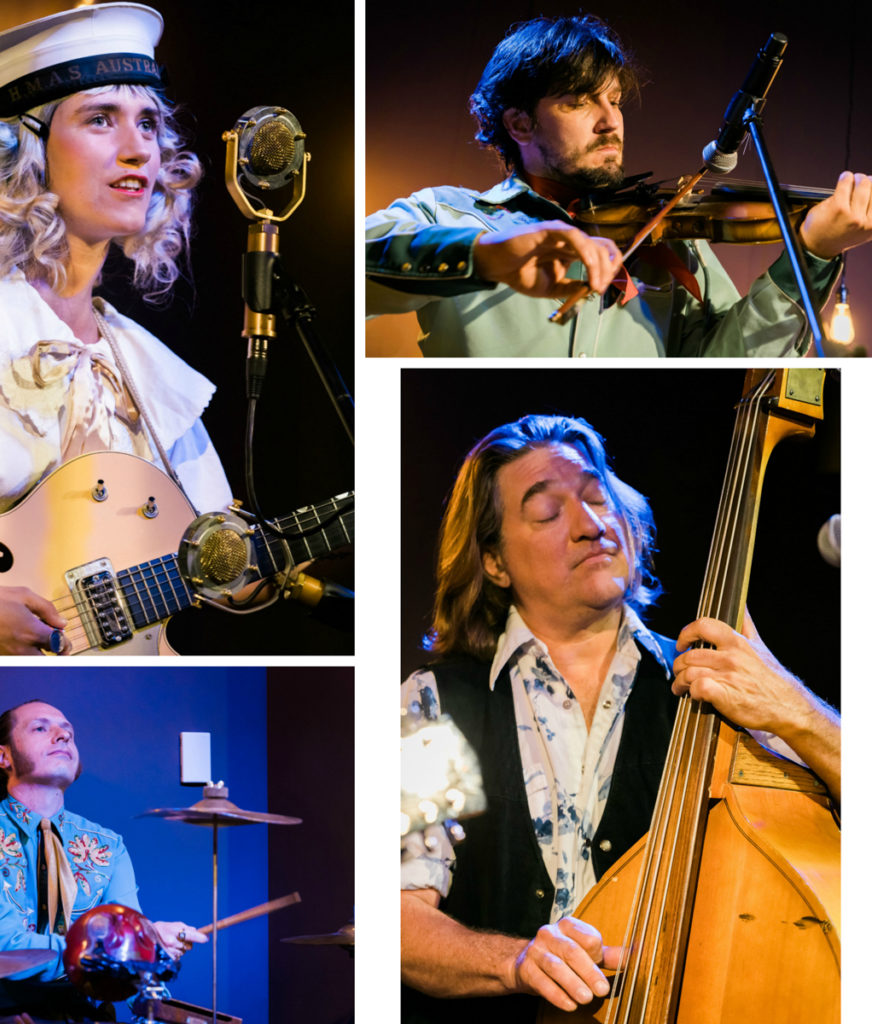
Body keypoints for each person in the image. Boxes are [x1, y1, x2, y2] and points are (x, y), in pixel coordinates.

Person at [399, 414, 840, 1021]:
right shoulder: (435, 704)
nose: (590, 526)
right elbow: (398, 916)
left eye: (597, 496)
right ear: (495, 562)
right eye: (548, 513)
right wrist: (515, 961)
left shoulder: (716, 683)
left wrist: (798, 713)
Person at [0, 3, 232, 653]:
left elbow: (231, 566)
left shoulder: (147, 369)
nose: (140, 147)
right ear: (22, 150)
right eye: (100, 119)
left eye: (149, 122)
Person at [366, 15, 872, 356]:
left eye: (615, 100)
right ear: (520, 125)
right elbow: (357, 264)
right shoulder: (447, 215)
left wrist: (811, 252)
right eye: (579, 101)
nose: (612, 122)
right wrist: (485, 255)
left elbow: (727, 361)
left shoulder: (672, 242)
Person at [0, 699, 206, 1023]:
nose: (62, 736)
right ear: (3, 756)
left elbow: (130, 963)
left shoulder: (108, 845)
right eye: (40, 728)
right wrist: (119, 951)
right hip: (2, 1018)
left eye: (69, 733)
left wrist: (150, 961)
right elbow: (5, 948)